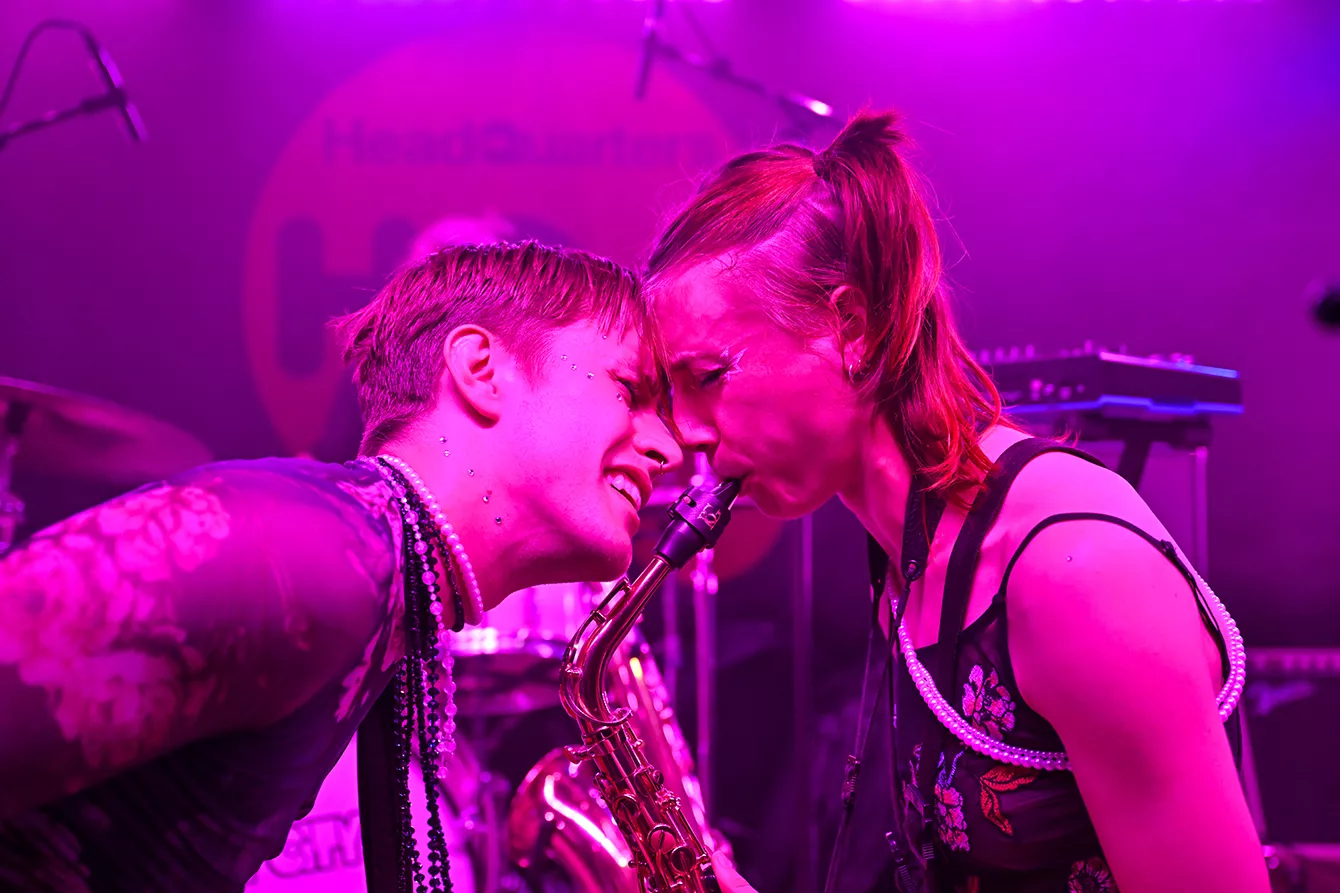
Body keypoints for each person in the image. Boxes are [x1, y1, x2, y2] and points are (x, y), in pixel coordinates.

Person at [645, 112, 1268, 893]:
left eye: (707, 376)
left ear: (850, 327)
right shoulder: (912, 558)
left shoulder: (1073, 571)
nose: (686, 434)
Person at [0, 241, 681, 892]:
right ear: (481, 370)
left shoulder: (380, 579)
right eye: (630, 390)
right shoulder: (300, 551)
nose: (668, 449)